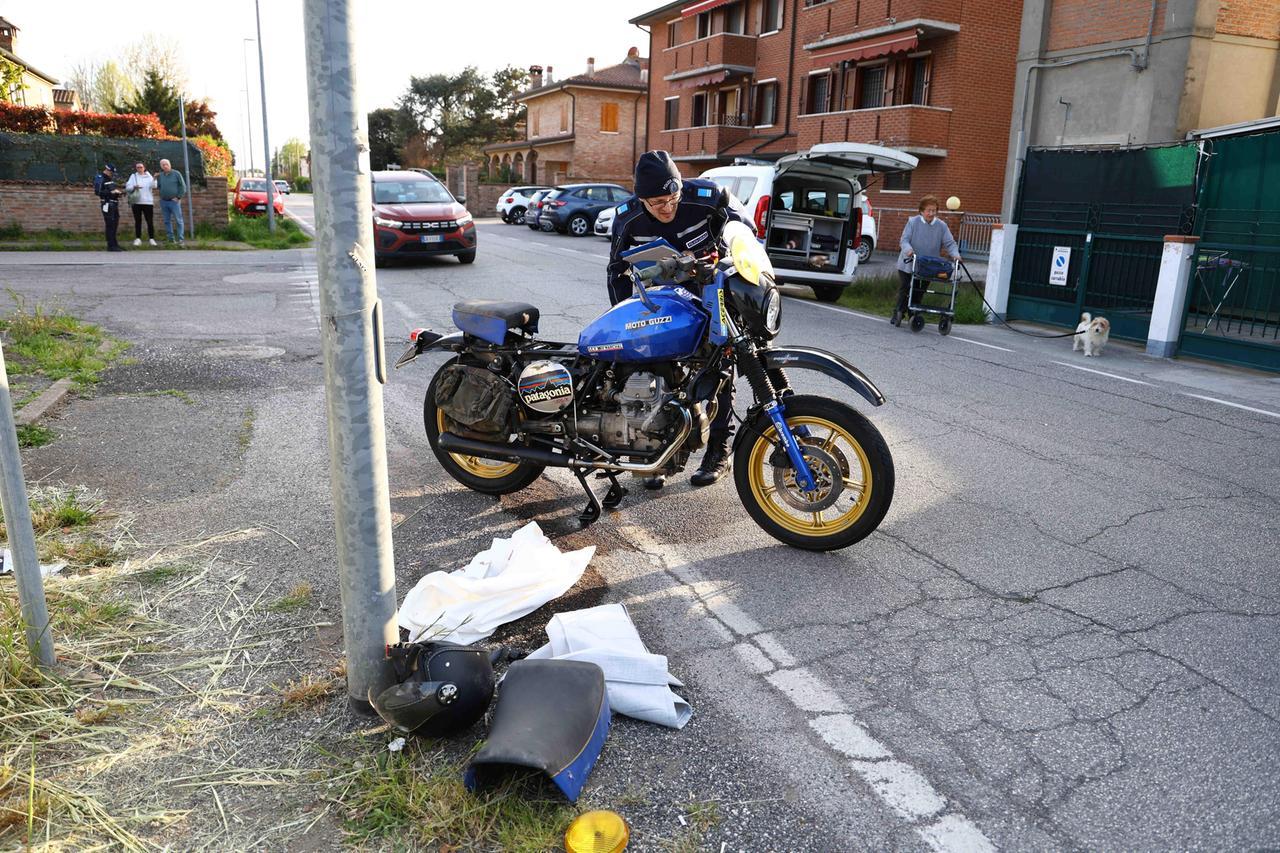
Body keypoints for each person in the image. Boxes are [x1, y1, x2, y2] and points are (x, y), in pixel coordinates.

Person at [607, 150, 754, 489]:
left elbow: (745, 232)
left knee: (718, 372)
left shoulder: (707, 197)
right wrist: (623, 316)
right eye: (658, 202)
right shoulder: (627, 218)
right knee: (661, 373)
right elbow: (616, 271)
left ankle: (718, 451)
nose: (668, 207)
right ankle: (658, 455)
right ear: (641, 198)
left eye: (672, 197)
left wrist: (726, 255)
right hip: (663, 303)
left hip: (711, 294)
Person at [893, 195, 959, 326]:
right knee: (906, 288)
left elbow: (950, 243)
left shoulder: (941, 226)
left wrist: (955, 254)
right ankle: (898, 312)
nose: (931, 213)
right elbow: (904, 240)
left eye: (934, 210)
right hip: (909, 262)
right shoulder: (913, 222)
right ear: (921, 211)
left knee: (919, 290)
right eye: (928, 210)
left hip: (928, 267)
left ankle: (914, 314)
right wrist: (909, 250)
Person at [124, 162, 157, 246]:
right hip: (136, 202)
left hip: (148, 202)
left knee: (149, 221)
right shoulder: (133, 176)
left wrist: (154, 179)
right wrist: (134, 187)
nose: (139, 169)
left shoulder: (149, 176)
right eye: (137, 167)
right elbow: (127, 187)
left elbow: (154, 186)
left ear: (144, 168)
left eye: (141, 167)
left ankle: (151, 239)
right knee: (137, 221)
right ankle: (138, 238)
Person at [156, 158, 187, 246]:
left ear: (170, 165)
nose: (165, 166)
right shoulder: (161, 175)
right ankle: (171, 239)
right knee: (167, 221)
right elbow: (159, 187)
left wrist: (178, 197)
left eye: (166, 164)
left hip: (174, 202)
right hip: (164, 201)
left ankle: (180, 240)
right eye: (163, 165)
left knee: (178, 220)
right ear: (161, 166)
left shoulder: (176, 173)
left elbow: (183, 187)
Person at [95, 163, 125, 252]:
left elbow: (111, 190)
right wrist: (111, 193)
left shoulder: (109, 179)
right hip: (107, 204)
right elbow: (98, 192)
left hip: (114, 203)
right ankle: (110, 245)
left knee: (115, 224)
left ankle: (115, 244)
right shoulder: (100, 178)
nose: (112, 174)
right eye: (111, 172)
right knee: (110, 224)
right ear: (107, 170)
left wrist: (119, 193)